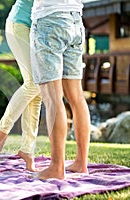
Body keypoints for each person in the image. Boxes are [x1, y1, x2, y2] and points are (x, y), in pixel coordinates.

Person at [30, 0, 91, 179]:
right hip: (75, 21)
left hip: (49, 19)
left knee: (53, 98)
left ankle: (56, 167)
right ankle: (81, 163)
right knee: (77, 96)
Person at [0, 0, 42, 172]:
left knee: (38, 90)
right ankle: (3, 128)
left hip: (34, 28)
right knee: (34, 82)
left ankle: (27, 150)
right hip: (20, 23)